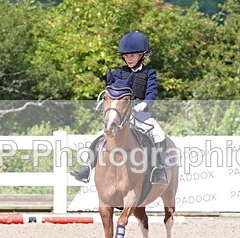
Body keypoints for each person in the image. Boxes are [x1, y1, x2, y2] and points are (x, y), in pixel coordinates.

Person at [70, 31, 168, 185]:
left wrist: (144, 104)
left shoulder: (149, 73)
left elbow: (152, 92)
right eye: (126, 56)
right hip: (121, 115)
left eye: (132, 56)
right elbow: (112, 92)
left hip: (142, 115)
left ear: (142, 55)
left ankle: (158, 170)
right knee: (98, 137)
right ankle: (87, 167)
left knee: (158, 134)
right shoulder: (119, 73)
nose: (128, 59)